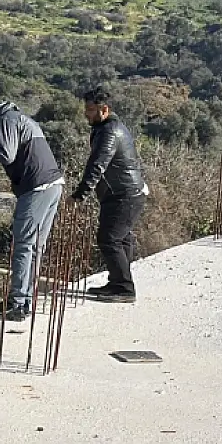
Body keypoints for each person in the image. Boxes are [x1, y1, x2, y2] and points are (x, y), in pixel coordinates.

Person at [0, 100, 65, 322]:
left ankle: (16, 304)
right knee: (35, 247)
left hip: (36, 187)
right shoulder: (22, 119)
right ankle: (24, 301)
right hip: (53, 185)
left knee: (24, 245)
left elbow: (7, 155)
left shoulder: (5, 120)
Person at [71, 87, 150, 304]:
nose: (86, 113)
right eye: (86, 109)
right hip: (124, 192)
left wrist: (80, 194)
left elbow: (97, 165)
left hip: (124, 194)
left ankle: (124, 288)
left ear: (104, 109)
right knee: (121, 239)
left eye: (90, 109)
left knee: (109, 239)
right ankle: (118, 282)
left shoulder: (109, 132)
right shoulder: (108, 128)